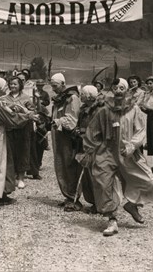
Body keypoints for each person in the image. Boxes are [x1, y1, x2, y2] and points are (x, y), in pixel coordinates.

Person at [82, 78, 153, 236]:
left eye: (122, 88)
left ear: (127, 90)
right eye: (115, 88)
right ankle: (112, 219)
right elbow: (92, 130)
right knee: (104, 183)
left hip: (127, 153)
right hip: (107, 152)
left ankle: (132, 205)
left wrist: (132, 145)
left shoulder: (134, 109)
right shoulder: (104, 110)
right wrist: (90, 150)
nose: (118, 91)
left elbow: (141, 130)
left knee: (147, 181)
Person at [0, 77, 37, 209]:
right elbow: (10, 118)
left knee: (2, 165)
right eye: (5, 86)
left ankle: (2, 194)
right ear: (1, 88)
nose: (6, 88)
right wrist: (28, 116)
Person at [50, 73, 83, 211]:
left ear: (63, 84)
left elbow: (72, 119)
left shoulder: (72, 98)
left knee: (70, 165)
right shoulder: (59, 99)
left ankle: (74, 198)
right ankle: (68, 196)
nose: (53, 89)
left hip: (69, 138)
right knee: (60, 164)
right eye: (52, 86)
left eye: (55, 86)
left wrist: (59, 121)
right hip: (58, 135)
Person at [73, 85, 102, 213]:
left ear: (89, 96)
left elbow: (98, 128)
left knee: (95, 175)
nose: (81, 96)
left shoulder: (99, 110)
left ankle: (99, 204)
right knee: (87, 175)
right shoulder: (84, 108)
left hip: (95, 146)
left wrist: (84, 131)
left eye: (83, 94)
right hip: (84, 143)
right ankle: (93, 202)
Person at [2, 76, 33, 189]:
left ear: (20, 85)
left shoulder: (26, 98)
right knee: (11, 152)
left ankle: (21, 178)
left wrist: (22, 110)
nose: (12, 86)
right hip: (10, 128)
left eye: (15, 84)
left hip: (23, 128)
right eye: (11, 84)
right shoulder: (5, 98)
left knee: (23, 152)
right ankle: (12, 177)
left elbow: (32, 112)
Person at [140, 76, 153, 174]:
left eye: (151, 83)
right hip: (150, 117)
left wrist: (147, 106)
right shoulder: (148, 94)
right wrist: (142, 107)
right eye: (147, 83)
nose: (148, 85)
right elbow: (147, 109)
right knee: (152, 140)